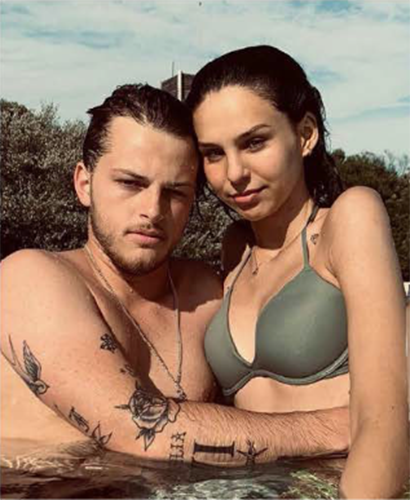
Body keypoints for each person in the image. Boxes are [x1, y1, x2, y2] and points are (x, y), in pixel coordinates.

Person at [0, 84, 349, 467]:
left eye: (176, 192)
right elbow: (137, 430)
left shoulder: (206, 294)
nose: (153, 210)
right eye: (130, 183)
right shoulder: (30, 279)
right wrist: (342, 427)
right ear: (84, 184)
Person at [185, 45, 410, 497]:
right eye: (213, 153)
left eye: (254, 143)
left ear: (305, 135)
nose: (234, 173)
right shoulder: (235, 248)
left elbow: (383, 421)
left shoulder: (349, 219)